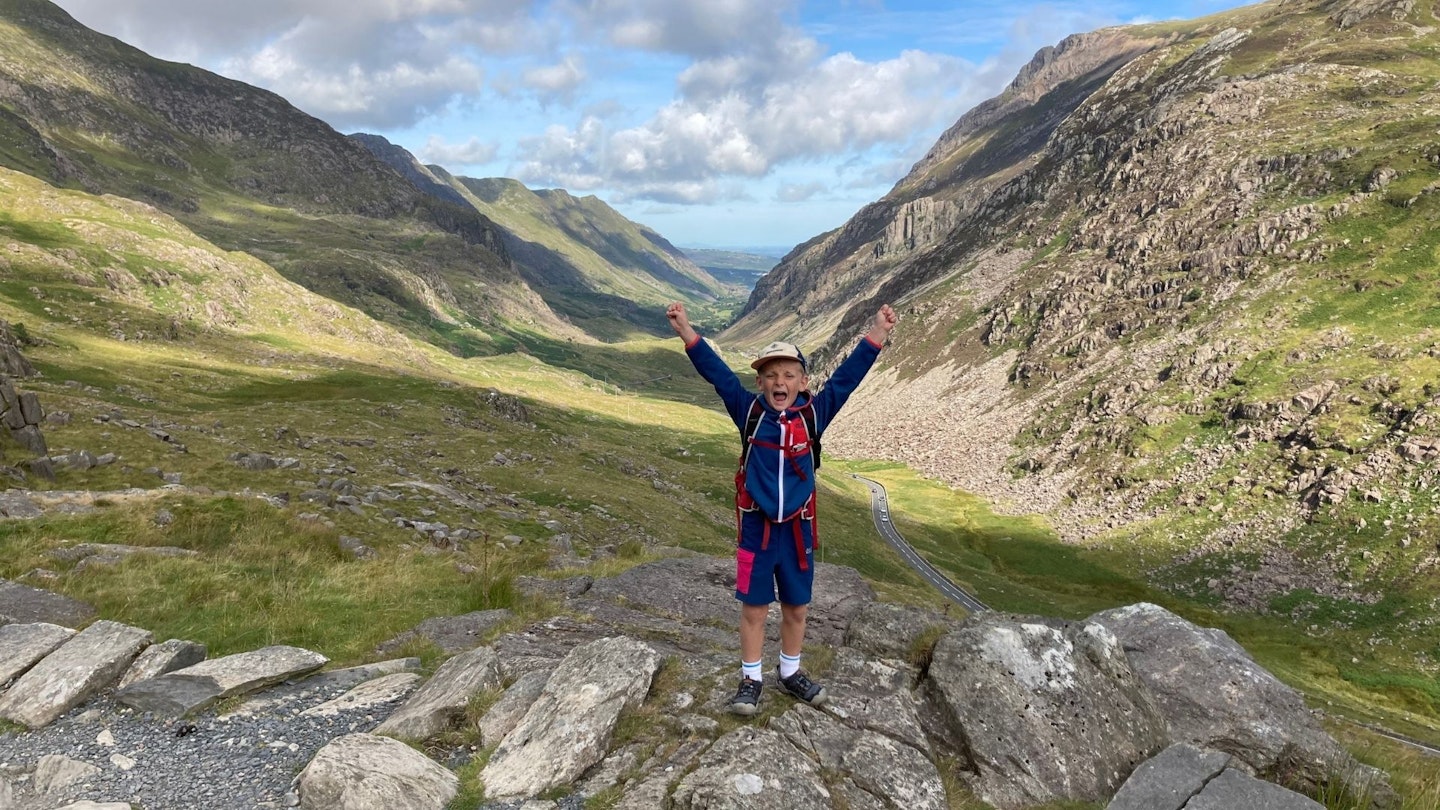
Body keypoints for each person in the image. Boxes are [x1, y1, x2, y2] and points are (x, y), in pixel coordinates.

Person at [666, 301, 898, 715]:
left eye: (789, 374)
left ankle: (789, 673)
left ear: (803, 381)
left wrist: (877, 334)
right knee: (753, 608)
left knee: (797, 607)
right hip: (755, 529)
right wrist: (686, 331)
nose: (780, 381)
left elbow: (846, 380)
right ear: (759, 381)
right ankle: (751, 679)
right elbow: (718, 375)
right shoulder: (749, 411)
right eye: (771, 375)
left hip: (797, 530)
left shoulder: (814, 415)